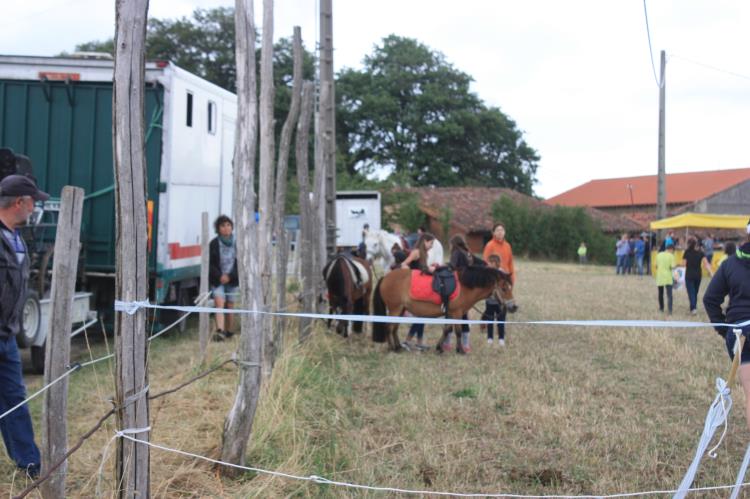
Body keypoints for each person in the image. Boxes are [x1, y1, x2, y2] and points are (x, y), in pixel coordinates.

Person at [0, 174, 47, 478]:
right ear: (19, 202)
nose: (34, 209)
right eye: (32, 203)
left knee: (15, 399)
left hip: (7, 337)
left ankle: (29, 464)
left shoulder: (16, 239)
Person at [703, 220, 750, 430]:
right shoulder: (730, 263)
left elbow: (710, 299)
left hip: (739, 334)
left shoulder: (730, 264)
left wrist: (726, 331)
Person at [401, 233, 438, 350]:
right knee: (421, 315)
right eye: (431, 243)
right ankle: (408, 341)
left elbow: (422, 269)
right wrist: (411, 275)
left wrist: (429, 268)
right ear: (425, 241)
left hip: (421, 287)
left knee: (422, 315)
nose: (432, 246)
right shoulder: (416, 252)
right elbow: (404, 264)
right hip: (414, 287)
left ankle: (418, 342)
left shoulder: (424, 253)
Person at [483, 223, 516, 346]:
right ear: (493, 232)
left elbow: (511, 263)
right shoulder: (490, 245)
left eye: (502, 230)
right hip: (493, 282)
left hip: (505, 282)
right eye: (498, 230)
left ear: (505, 232)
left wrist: (512, 278)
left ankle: (501, 338)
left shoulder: (508, 246)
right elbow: (486, 263)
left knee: (503, 311)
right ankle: (490, 338)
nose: (500, 232)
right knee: (490, 312)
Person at [209, 215, 238, 341]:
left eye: (228, 225)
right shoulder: (214, 243)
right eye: (222, 226)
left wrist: (230, 276)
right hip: (218, 279)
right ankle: (220, 331)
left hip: (233, 278)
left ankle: (229, 331)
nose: (226, 228)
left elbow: (240, 262)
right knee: (219, 302)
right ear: (218, 228)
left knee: (230, 304)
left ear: (232, 227)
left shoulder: (238, 242)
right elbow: (210, 264)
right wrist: (220, 276)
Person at [449, 234, 475, 352]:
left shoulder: (456, 252)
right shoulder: (466, 252)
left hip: (457, 285)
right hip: (466, 286)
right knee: (464, 314)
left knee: (452, 314)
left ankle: (447, 342)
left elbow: (452, 266)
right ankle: (466, 344)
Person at [682, 237, 713, 315]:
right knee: (695, 292)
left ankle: (693, 308)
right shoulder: (701, 253)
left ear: (688, 244)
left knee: (691, 292)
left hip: (689, 275)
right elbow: (706, 264)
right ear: (695, 244)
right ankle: (693, 307)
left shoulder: (686, 252)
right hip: (698, 275)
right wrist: (712, 273)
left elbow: (683, 264)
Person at [482, 254, 507, 346]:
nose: (490, 264)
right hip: (489, 301)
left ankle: (501, 339)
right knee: (490, 320)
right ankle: (490, 338)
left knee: (501, 321)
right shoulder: (487, 273)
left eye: (492, 262)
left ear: (497, 263)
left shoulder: (502, 273)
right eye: (489, 262)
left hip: (501, 303)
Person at [655, 243, 676, 314]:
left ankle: (661, 309)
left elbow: (656, 266)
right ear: (671, 249)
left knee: (660, 294)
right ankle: (670, 310)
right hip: (668, 277)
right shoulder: (671, 256)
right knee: (669, 295)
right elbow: (672, 267)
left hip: (660, 277)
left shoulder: (658, 255)